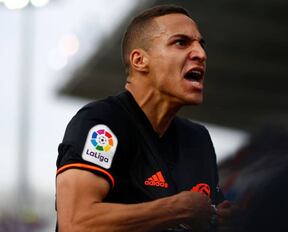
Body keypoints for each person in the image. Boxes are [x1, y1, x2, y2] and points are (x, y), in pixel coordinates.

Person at [55, 4, 232, 232]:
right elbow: (76, 223)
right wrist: (178, 208)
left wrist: (226, 220)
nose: (201, 54)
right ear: (139, 60)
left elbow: (205, 214)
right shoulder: (103, 122)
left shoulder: (198, 139)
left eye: (201, 44)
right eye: (181, 42)